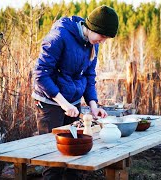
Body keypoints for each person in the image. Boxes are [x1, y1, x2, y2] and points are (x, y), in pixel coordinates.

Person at [32, 5, 119, 180]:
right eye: (102, 36)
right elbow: (41, 73)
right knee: (54, 160)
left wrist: (94, 106)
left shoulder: (93, 44)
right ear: (92, 28)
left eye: (106, 39)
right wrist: (63, 103)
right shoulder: (60, 36)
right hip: (50, 104)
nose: (102, 41)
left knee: (77, 156)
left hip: (73, 103)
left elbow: (88, 75)